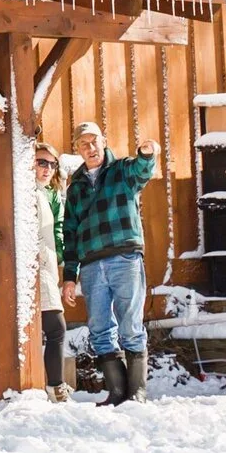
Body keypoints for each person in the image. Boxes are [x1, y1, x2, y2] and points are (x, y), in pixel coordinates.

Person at [59, 120, 159, 406]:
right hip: (91, 266)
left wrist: (147, 153)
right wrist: (69, 275)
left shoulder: (122, 171)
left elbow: (143, 170)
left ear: (103, 142)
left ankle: (137, 392)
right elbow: (70, 232)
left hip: (124, 257)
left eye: (94, 142)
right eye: (83, 144)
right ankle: (116, 392)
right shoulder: (76, 186)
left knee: (130, 325)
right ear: (77, 149)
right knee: (100, 329)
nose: (90, 148)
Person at [34, 142, 70, 399]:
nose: (47, 168)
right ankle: (55, 387)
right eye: (41, 162)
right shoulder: (29, 193)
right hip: (35, 269)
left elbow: (55, 233)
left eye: (52, 164)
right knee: (56, 328)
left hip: (47, 267)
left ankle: (49, 386)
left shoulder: (47, 193)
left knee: (48, 330)